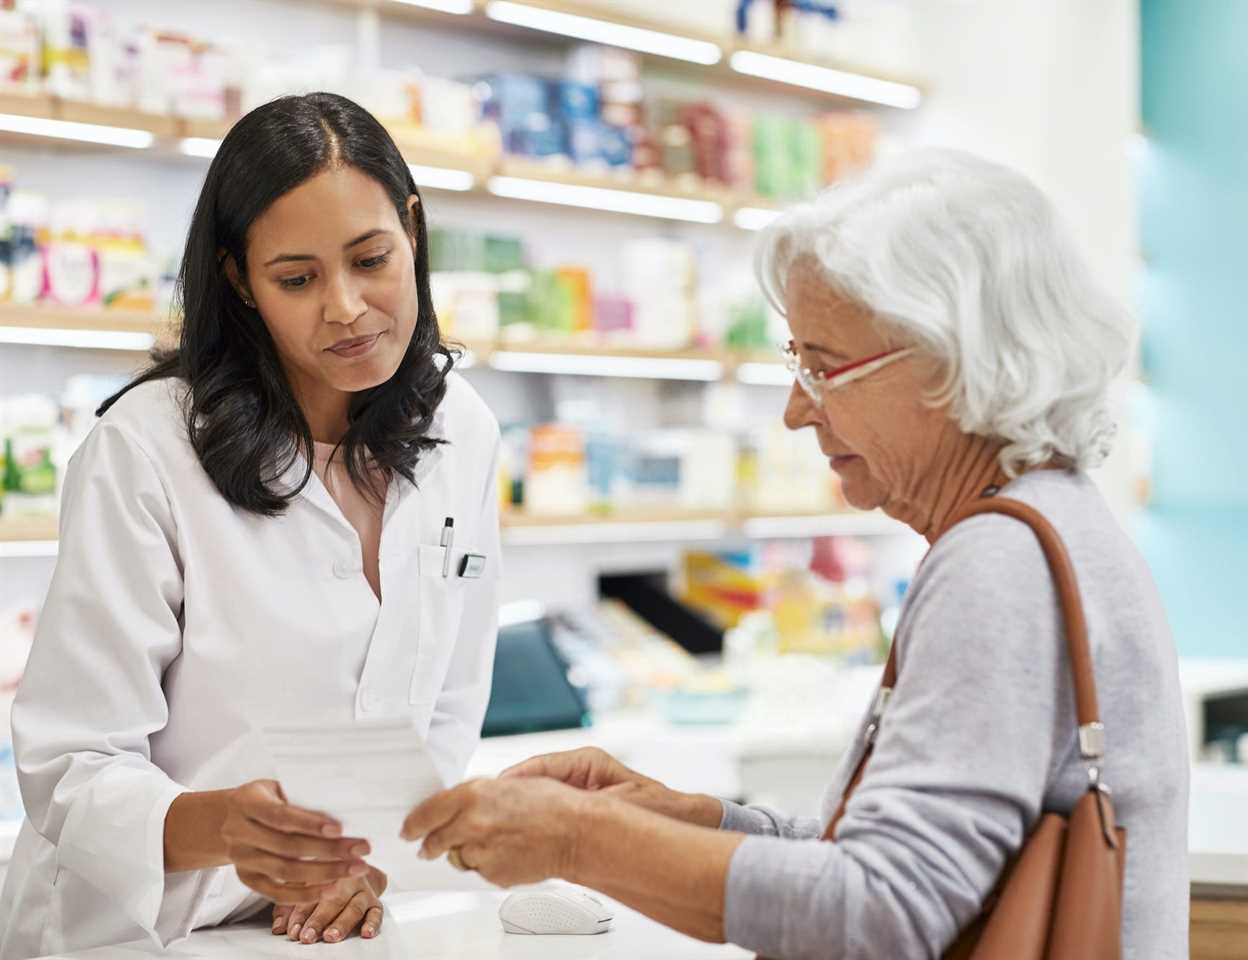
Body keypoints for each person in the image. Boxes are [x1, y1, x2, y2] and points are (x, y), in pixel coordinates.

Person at [399, 149, 1190, 959]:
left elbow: (882, 914)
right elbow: (917, 865)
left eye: (823, 366)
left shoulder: (999, 561)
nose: (794, 412)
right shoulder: (1054, 520)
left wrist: (582, 839)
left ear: (953, 362)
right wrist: (692, 822)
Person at [0, 93, 502, 959]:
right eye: (298, 278)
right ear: (240, 280)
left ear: (412, 232)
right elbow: (70, 759)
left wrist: (369, 861)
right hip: (129, 935)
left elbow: (447, 708)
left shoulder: (467, 430)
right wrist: (218, 826)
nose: (345, 306)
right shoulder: (148, 450)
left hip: (323, 931)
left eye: (371, 259)